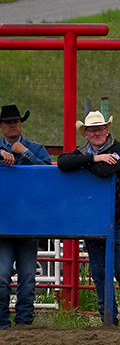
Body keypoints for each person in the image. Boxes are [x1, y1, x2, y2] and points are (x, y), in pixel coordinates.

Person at [57, 111, 120, 331]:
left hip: (117, 219)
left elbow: (105, 171)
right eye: (93, 130)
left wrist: (84, 163)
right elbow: (63, 163)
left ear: (107, 130)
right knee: (99, 272)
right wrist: (94, 158)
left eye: (100, 129)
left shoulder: (119, 150)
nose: (97, 133)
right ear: (86, 133)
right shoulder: (89, 153)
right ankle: (109, 318)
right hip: (95, 221)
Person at [0, 104, 51, 329]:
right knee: (2, 275)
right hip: (6, 222)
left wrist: (25, 154)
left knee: (28, 277)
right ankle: (4, 322)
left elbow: (50, 176)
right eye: (9, 122)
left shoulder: (35, 149)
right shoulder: (35, 149)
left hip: (28, 222)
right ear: (2, 126)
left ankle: (23, 323)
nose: (13, 125)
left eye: (17, 121)